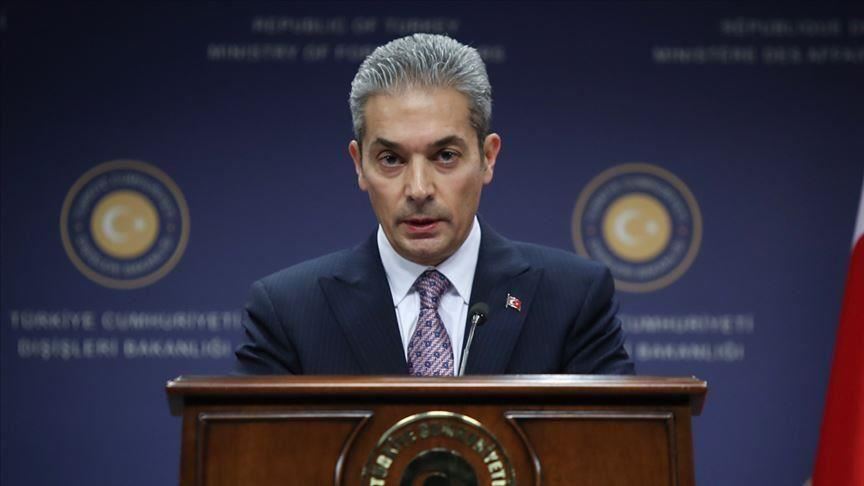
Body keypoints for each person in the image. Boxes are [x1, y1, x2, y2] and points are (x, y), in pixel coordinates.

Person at [234, 34, 634, 376]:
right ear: (359, 164)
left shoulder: (571, 298)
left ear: (487, 157)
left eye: (445, 156)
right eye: (391, 159)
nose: (419, 189)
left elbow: (614, 441)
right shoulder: (289, 312)